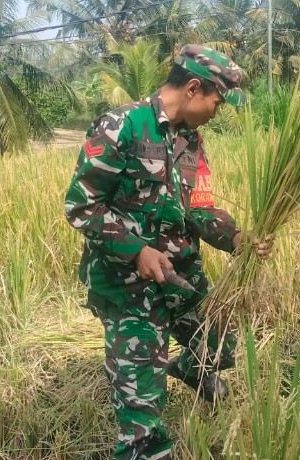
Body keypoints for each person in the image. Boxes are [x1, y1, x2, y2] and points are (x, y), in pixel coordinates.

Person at [64, 44, 272, 459]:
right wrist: (137, 250)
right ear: (193, 88)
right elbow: (82, 205)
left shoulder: (192, 142)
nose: (219, 110)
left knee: (220, 343)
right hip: (128, 289)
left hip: (180, 276)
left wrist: (234, 238)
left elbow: (199, 206)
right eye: (218, 101)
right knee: (143, 414)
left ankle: (185, 368)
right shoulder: (121, 126)